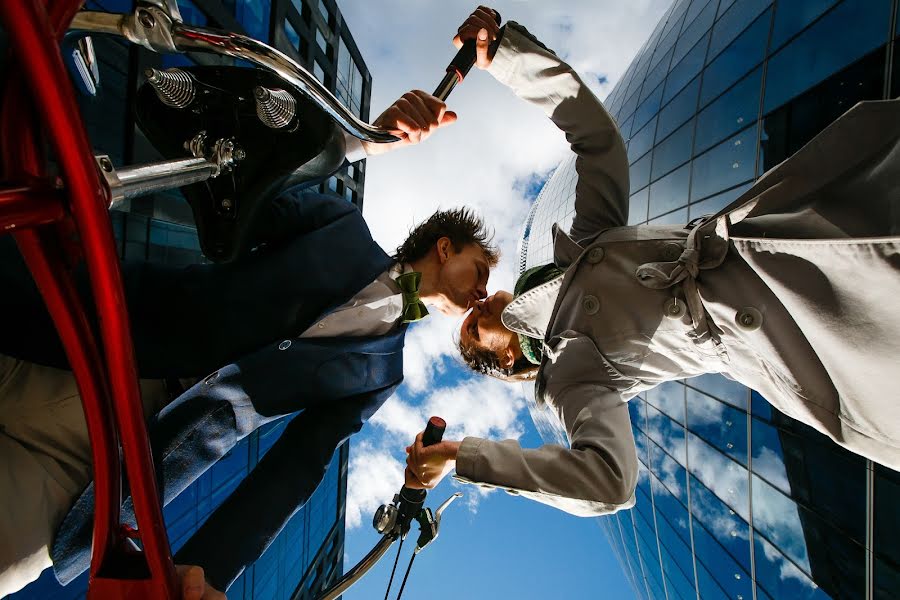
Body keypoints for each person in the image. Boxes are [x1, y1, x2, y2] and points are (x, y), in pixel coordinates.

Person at [403, 8, 900, 517]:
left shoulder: (585, 245)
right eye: (475, 323)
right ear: (506, 359)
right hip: (795, 338)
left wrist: (508, 57)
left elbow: (599, 144)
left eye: (477, 300)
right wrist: (461, 455)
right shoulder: (569, 383)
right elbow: (608, 482)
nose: (481, 300)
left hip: (780, 227)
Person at [0, 86, 497, 595]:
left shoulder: (383, 374)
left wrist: (208, 570)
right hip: (82, 339)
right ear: (444, 247)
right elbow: (253, 187)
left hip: (112, 460)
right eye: (479, 270)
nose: (483, 291)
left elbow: (301, 463)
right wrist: (358, 142)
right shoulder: (341, 228)